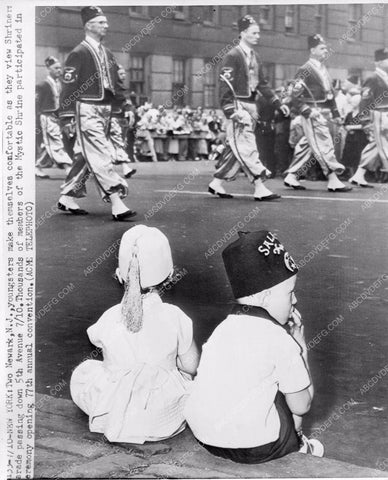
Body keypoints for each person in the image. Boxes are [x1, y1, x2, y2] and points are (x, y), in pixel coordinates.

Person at [184, 230, 324, 463]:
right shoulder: (279, 338)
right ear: (265, 296)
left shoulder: (222, 330)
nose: (295, 300)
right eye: (290, 293)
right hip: (257, 447)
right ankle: (299, 444)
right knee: (287, 389)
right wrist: (301, 350)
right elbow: (302, 405)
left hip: (206, 437)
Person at [70, 225, 200, 443]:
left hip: (112, 411)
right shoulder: (175, 316)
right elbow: (192, 366)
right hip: (161, 419)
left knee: (85, 372)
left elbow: (100, 342)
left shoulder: (110, 316)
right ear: (170, 274)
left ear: (121, 275)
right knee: (188, 380)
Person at [58, 6, 136, 220]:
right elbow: (68, 87)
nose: (106, 25)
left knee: (86, 155)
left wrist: (126, 105)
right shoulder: (78, 53)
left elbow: (117, 85)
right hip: (86, 109)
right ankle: (117, 202)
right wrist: (66, 116)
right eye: (101, 22)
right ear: (88, 25)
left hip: (105, 110)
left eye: (105, 22)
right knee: (101, 154)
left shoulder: (107, 52)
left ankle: (67, 196)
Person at [208, 15, 289, 201]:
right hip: (238, 106)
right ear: (243, 33)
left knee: (237, 148)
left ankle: (216, 183)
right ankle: (260, 187)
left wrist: (278, 103)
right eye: (254, 32)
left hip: (251, 106)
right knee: (247, 146)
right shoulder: (232, 55)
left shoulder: (254, 56)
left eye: (258, 33)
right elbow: (225, 84)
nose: (258, 36)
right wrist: (230, 110)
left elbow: (262, 84)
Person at [284, 34, 351, 192]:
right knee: (324, 145)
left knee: (308, 145)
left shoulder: (322, 69)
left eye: (326, 48)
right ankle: (333, 179)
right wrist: (307, 111)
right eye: (322, 48)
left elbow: (329, 94)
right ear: (312, 50)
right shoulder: (305, 69)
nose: (325, 51)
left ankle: (292, 175)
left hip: (322, 113)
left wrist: (335, 114)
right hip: (312, 114)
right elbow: (294, 94)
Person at [349, 48, 388, 187]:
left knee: (375, 146)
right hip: (378, 116)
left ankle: (359, 175)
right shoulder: (372, 78)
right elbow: (365, 101)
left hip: (386, 116)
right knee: (383, 146)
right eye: (386, 59)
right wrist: (365, 121)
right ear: (378, 62)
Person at [35, 56, 73, 179]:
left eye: (60, 68)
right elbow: (36, 104)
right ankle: (68, 167)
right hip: (47, 116)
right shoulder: (42, 85)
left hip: (58, 118)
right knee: (55, 141)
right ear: (48, 69)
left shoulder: (60, 84)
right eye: (56, 68)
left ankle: (37, 166)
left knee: (49, 143)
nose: (59, 70)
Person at [109, 65, 137, 179]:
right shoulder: (112, 87)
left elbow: (127, 102)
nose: (124, 76)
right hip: (112, 117)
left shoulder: (122, 87)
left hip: (119, 118)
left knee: (116, 142)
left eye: (124, 73)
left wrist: (129, 110)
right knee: (117, 142)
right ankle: (125, 167)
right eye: (121, 74)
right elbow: (126, 101)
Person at [341, 86, 368, 179]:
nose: (352, 103)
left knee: (358, 156)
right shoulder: (349, 114)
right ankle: (351, 175)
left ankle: (358, 175)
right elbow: (345, 124)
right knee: (349, 157)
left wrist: (352, 127)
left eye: (354, 102)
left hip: (359, 139)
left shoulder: (363, 114)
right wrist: (346, 127)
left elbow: (364, 125)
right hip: (350, 139)